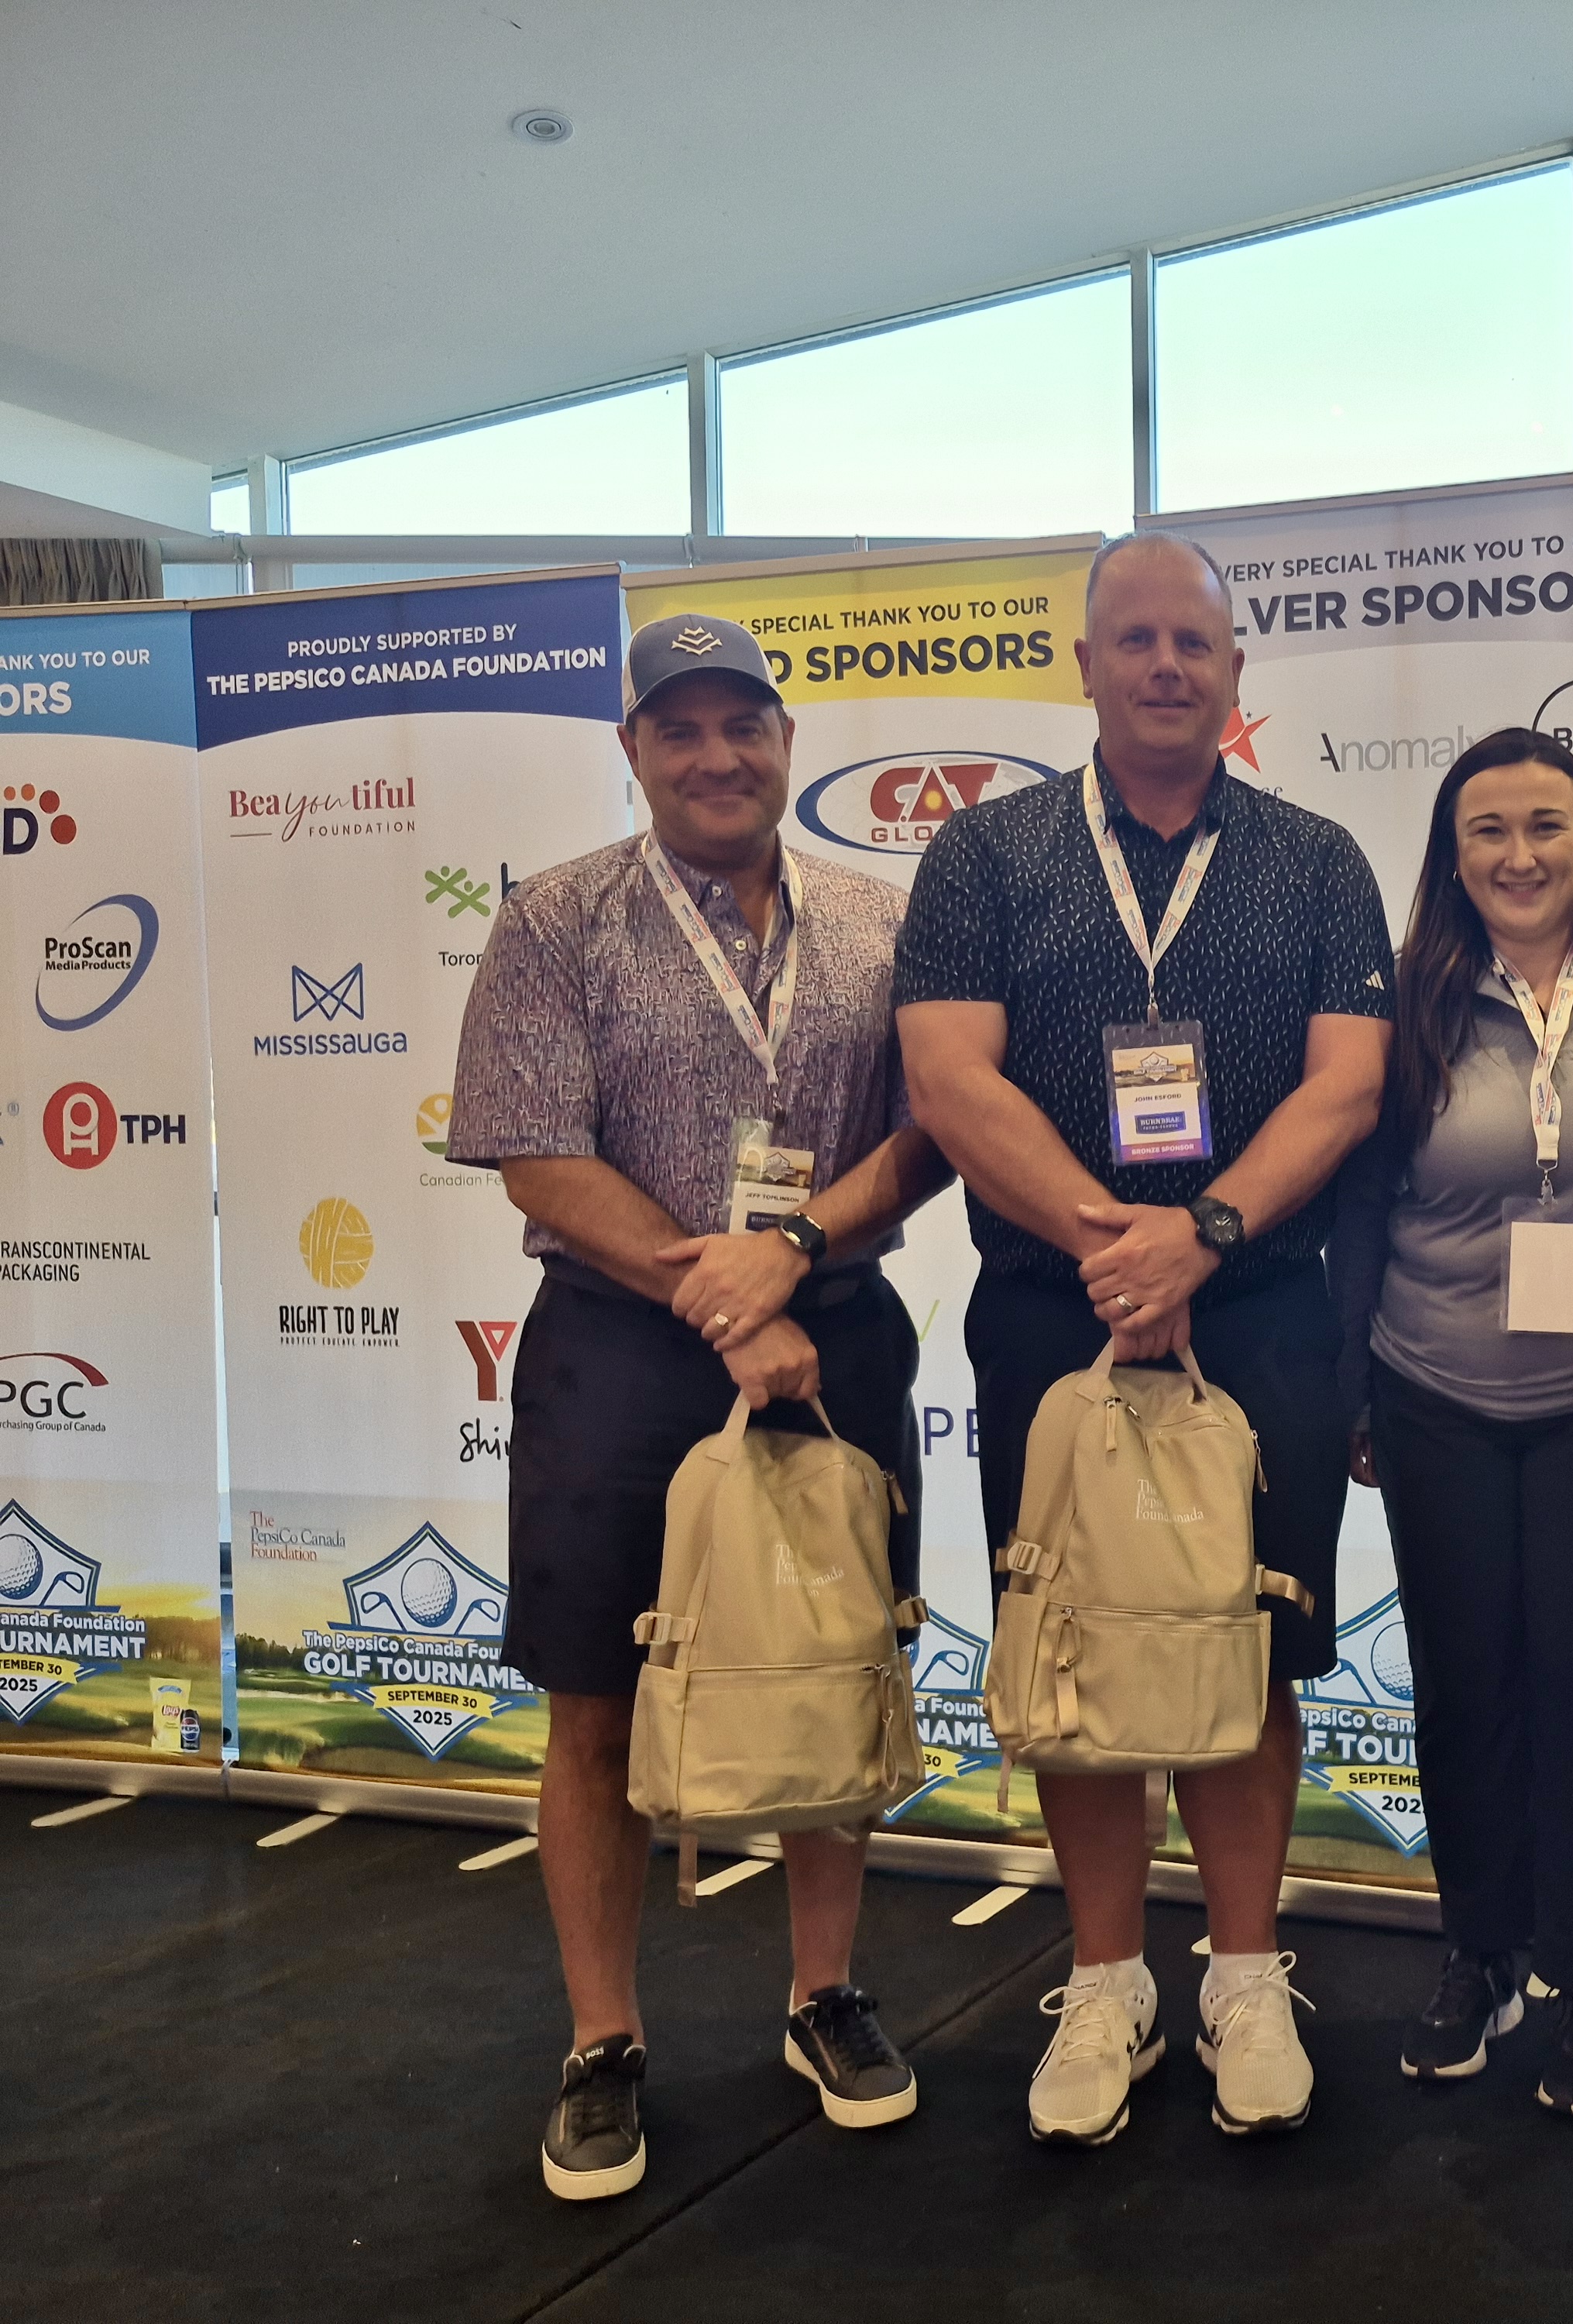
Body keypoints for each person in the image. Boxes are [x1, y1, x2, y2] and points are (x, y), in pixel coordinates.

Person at [894, 531, 1392, 2145]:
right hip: (1057, 1308)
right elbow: (948, 1078)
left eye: (1196, 642)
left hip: (1261, 1308)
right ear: (1087, 665)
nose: (1168, 665)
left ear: (1236, 670)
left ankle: (1244, 1974)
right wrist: (1116, 1244)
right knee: (1081, 1640)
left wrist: (1205, 1234)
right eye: (1137, 640)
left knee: (1245, 1643)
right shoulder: (986, 855)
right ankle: (1106, 1979)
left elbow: (1347, 1086)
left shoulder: (1318, 859)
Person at [449, 611, 951, 2202]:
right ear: (635, 749)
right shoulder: (555, 918)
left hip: (836, 1333)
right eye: (681, 729)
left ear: (788, 743)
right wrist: (724, 1299)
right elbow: (536, 1153)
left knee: (834, 1664)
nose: (717, 756)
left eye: (745, 726)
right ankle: (603, 2042)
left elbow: (933, 1131)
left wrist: (786, 1261)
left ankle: (824, 1995)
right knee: (596, 1699)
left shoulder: (881, 918)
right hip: (619, 1350)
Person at [1327, 727, 1573, 2114]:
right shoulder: (1406, 995)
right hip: (1434, 1392)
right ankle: (1481, 1952)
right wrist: (1355, 1392)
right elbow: (1362, 1205)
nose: (1519, 854)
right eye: (1486, 830)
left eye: (1546, 825)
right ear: (1452, 855)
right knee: (1464, 1680)